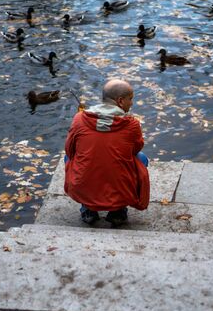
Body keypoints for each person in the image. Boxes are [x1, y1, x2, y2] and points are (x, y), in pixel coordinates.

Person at [64, 79, 150, 226]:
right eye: (131, 99)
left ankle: (88, 208)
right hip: (119, 188)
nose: (132, 103)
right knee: (141, 158)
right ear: (120, 101)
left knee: (68, 157)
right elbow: (135, 149)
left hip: (84, 186)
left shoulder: (79, 119)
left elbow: (70, 150)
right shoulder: (131, 124)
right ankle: (118, 211)